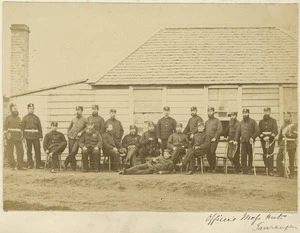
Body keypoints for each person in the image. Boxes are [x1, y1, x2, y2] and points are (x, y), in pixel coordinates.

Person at [235, 109, 260, 175]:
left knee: (250, 156)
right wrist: (236, 140)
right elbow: (238, 133)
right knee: (243, 156)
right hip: (243, 142)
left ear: (248, 113)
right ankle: (244, 170)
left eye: (246, 113)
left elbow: (257, 131)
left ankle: (249, 170)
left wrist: (252, 137)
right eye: (243, 113)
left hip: (250, 142)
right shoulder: (241, 123)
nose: (245, 114)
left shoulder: (253, 122)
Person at [64, 106, 88, 170]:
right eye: (77, 110)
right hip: (71, 137)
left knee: (74, 151)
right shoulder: (73, 119)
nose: (77, 112)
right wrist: (68, 134)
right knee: (71, 151)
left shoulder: (84, 119)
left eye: (79, 110)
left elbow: (87, 127)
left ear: (82, 111)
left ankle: (65, 162)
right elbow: (69, 128)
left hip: (78, 138)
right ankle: (73, 166)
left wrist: (81, 132)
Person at [4, 103, 25, 170]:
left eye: (16, 108)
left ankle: (20, 166)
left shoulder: (19, 118)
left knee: (20, 151)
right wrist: (7, 134)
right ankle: (12, 166)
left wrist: (22, 135)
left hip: (18, 137)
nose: (16, 110)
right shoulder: (8, 118)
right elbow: (4, 128)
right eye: (14, 109)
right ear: (11, 110)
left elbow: (21, 128)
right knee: (10, 152)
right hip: (10, 137)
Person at [276, 112, 297, 179]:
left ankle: (292, 173)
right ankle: (280, 172)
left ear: (290, 117)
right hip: (283, 144)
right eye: (285, 116)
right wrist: (279, 143)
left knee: (291, 159)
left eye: (288, 116)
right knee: (279, 158)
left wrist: (290, 135)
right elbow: (280, 136)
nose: (286, 118)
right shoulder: (283, 126)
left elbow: (296, 135)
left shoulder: (294, 126)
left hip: (291, 144)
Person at [22, 103, 43, 169]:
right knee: (29, 151)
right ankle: (30, 164)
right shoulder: (25, 118)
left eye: (32, 109)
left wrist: (41, 136)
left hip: (36, 136)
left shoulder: (37, 118)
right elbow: (22, 128)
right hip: (28, 136)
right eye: (30, 108)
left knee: (37, 150)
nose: (31, 110)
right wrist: (23, 137)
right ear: (28, 109)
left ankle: (38, 164)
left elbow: (40, 128)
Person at [258, 108, 278, 176]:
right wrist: (263, 137)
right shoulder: (261, 122)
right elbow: (259, 131)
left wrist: (269, 137)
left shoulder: (273, 121)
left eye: (267, 111)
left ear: (270, 112)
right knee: (264, 154)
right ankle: (266, 169)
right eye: (265, 111)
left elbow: (275, 131)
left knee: (270, 154)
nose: (266, 113)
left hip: (270, 140)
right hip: (263, 140)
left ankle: (271, 170)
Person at [204, 107, 223, 173]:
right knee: (207, 153)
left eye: (211, 111)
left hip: (214, 140)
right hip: (207, 140)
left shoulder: (217, 121)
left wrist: (215, 137)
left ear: (213, 112)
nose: (209, 113)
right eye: (208, 111)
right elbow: (204, 131)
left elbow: (220, 130)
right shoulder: (206, 122)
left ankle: (213, 167)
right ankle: (211, 167)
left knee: (212, 152)